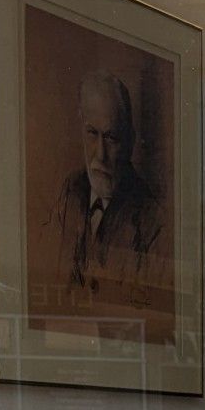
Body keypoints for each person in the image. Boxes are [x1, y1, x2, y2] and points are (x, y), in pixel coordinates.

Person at [47, 69, 169, 318]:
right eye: (92, 133)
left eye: (111, 137)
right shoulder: (70, 191)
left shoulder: (153, 222)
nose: (100, 154)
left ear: (130, 141)